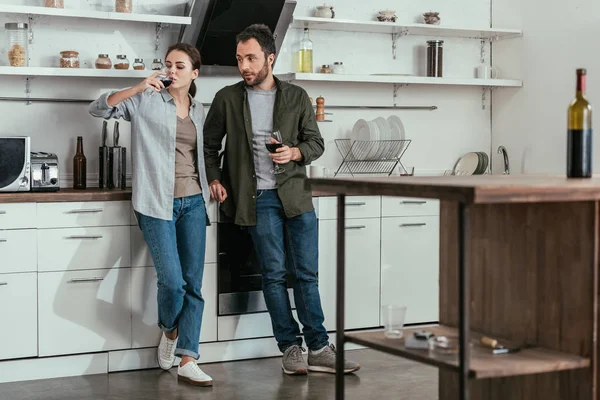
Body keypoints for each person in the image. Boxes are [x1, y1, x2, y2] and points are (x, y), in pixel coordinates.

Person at [204, 24, 360, 375]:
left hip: (296, 196)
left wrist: (294, 153)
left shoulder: (296, 97)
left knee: (306, 274)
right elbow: (210, 143)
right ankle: (290, 348)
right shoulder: (227, 98)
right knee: (273, 276)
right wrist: (214, 177)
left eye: (251, 58)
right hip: (257, 199)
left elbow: (316, 143)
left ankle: (319, 348)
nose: (244, 65)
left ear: (269, 58)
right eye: (240, 58)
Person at [89, 43, 213, 387]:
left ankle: (189, 358)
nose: (172, 71)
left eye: (180, 66)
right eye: (168, 64)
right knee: (173, 282)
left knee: (194, 285)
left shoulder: (201, 110)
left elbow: (206, 156)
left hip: (194, 202)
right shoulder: (144, 101)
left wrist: (214, 182)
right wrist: (140, 85)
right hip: (155, 202)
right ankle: (170, 330)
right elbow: (98, 108)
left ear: (194, 73)